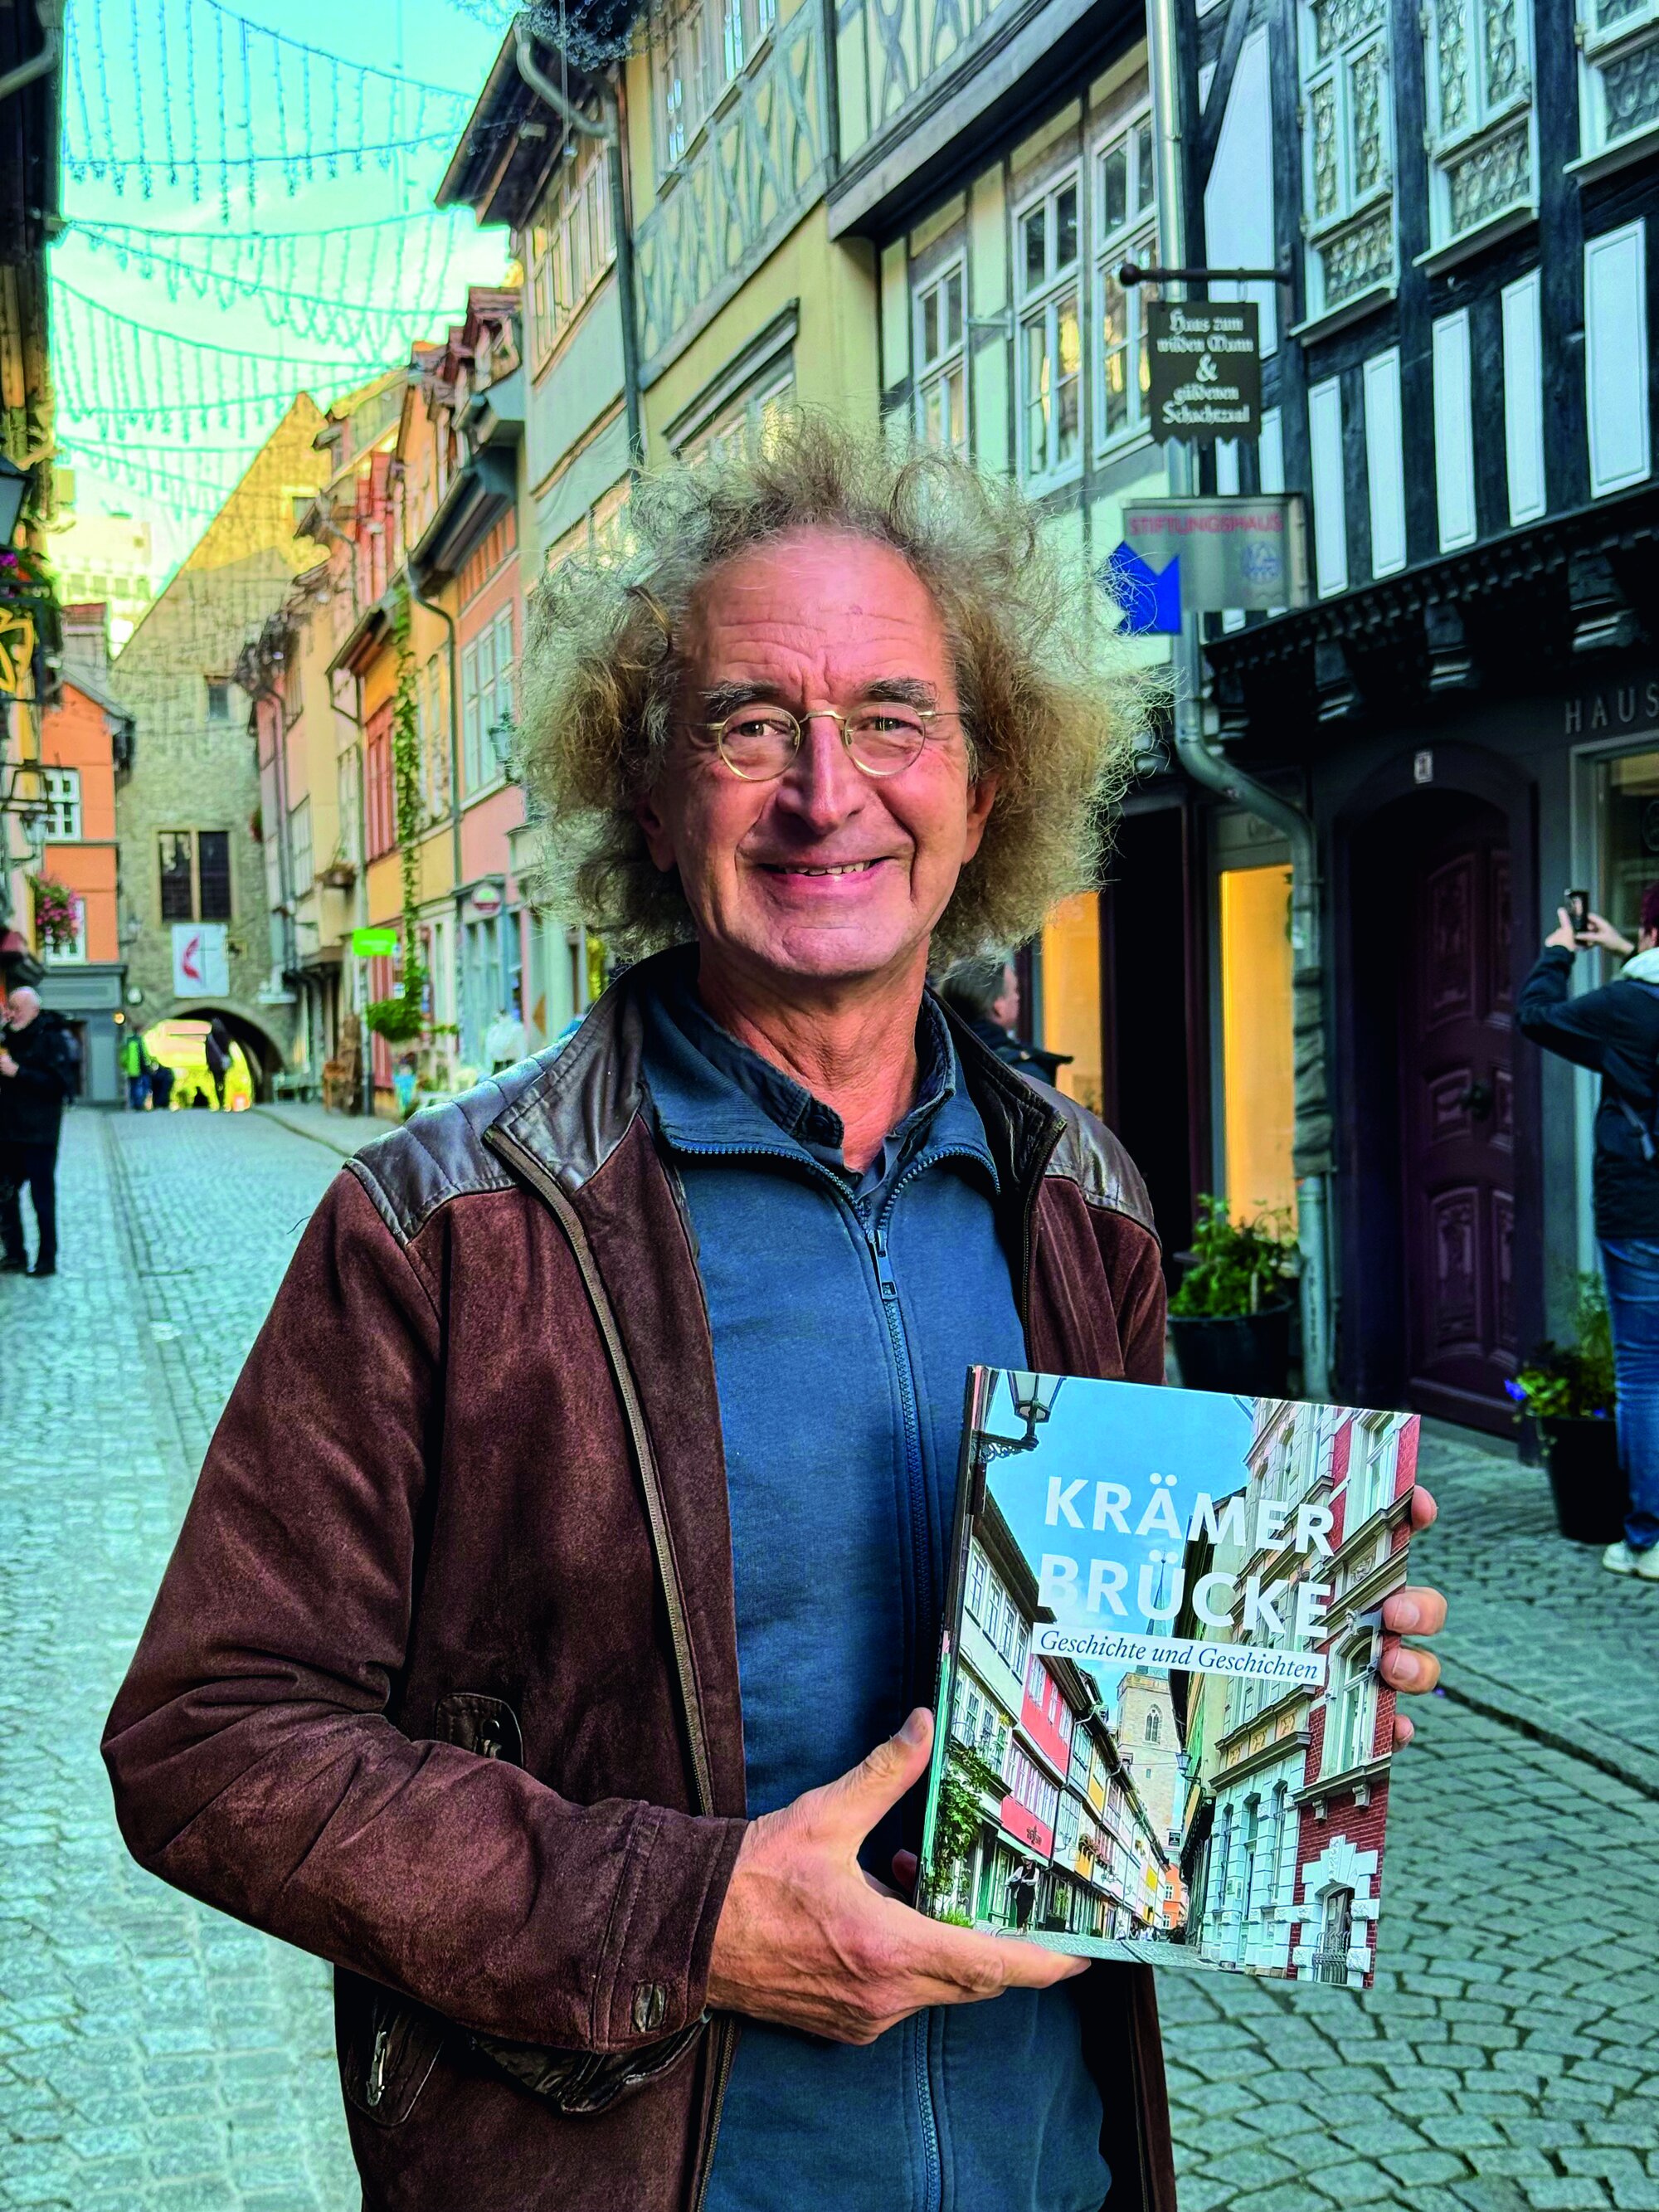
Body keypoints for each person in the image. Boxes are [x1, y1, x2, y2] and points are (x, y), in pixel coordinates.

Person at [102, 418, 1447, 2212]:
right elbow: (210, 1740)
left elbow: (1127, 1735)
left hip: (1051, 2167)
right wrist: (682, 1916)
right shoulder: (448, 1231)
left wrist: (1279, 1674)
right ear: (654, 798)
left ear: (985, 791)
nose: (827, 790)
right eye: (750, 725)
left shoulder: (1082, 1201)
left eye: (894, 718)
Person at [1519, 890, 1659, 1579]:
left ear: (1650, 927)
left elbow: (1537, 1017)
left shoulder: (1627, 1007)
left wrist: (1561, 951)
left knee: (1644, 1374)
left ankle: (1648, 1540)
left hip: (1641, 1214)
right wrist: (1628, 951)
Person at [0, 982, 77, 1277]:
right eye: (11, 1007)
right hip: (8, 1133)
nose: (13, 1013)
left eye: (18, 1008)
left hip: (39, 1134)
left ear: (34, 1009)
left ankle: (47, 1260)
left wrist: (18, 1072)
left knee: (42, 1199)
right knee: (4, 1195)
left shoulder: (51, 1038)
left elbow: (59, 1086)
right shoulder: (7, 1037)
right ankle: (15, 1254)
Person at [940, 950, 1073, 1084]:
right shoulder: (1024, 1074)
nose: (1017, 997)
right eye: (1015, 990)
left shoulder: (933, 1060)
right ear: (999, 1006)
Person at [485, 1002, 528, 1074]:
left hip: (511, 1065)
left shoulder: (516, 1029)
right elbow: (489, 1051)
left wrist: (522, 1068)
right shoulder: (493, 1030)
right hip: (497, 1066)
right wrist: (488, 1068)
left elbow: (522, 1049)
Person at [119, 1026, 151, 1110]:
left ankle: (133, 1103)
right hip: (140, 1069)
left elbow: (124, 1057)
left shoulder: (128, 1041)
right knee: (142, 1086)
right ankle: (139, 1104)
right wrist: (148, 1065)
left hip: (131, 1069)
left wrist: (125, 1065)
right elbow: (144, 1055)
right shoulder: (140, 1041)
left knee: (133, 1086)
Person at [204, 1018, 232, 1109]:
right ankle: (222, 1099)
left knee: (217, 1081)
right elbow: (227, 1049)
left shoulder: (210, 1037)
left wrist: (208, 1062)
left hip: (214, 1063)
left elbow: (207, 1052)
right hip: (222, 1062)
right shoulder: (224, 1035)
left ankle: (220, 1100)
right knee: (222, 1081)